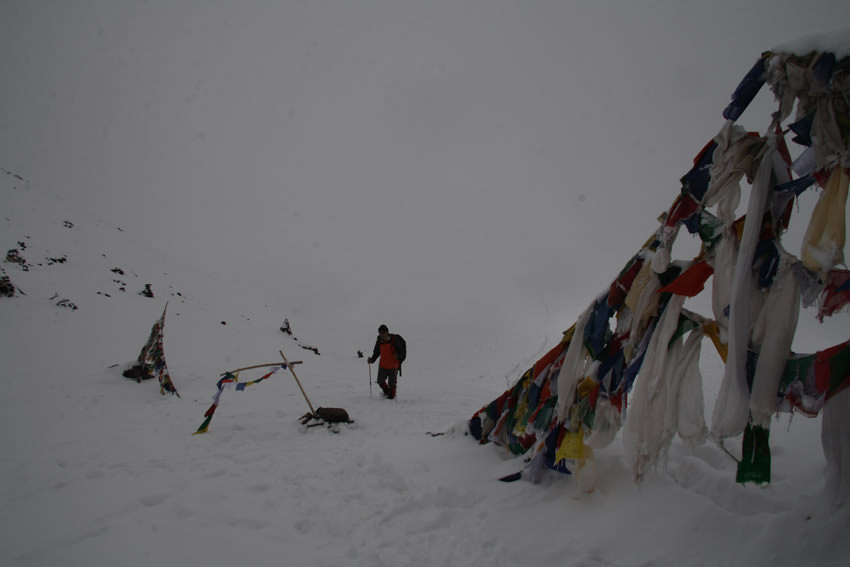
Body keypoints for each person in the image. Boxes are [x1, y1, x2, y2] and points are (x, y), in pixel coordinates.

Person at [367, 324, 406, 399]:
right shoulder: (379, 341)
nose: (382, 335)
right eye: (380, 333)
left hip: (393, 365)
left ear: (387, 332)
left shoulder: (394, 340)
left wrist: (398, 356)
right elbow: (376, 352)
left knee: (392, 386)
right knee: (380, 381)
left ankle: (391, 399)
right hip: (383, 365)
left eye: (383, 333)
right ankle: (387, 392)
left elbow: (402, 352)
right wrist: (371, 360)